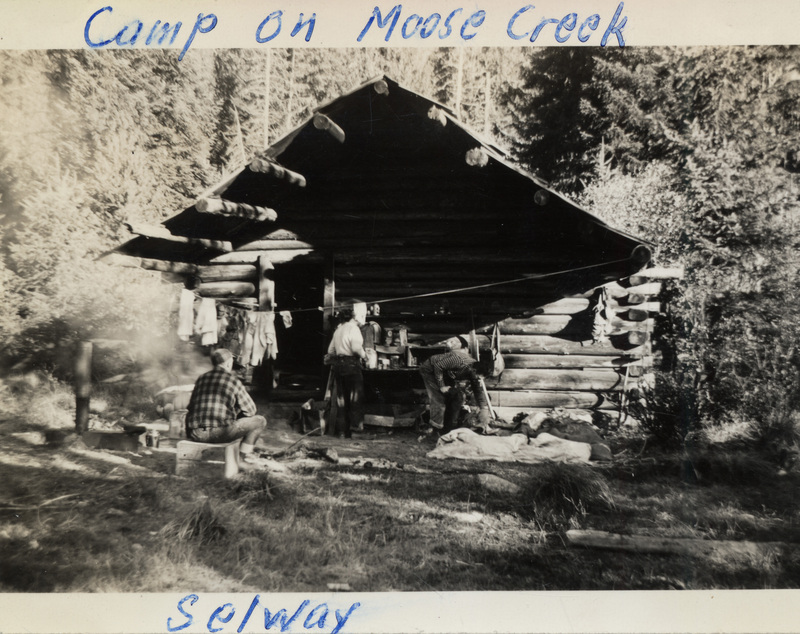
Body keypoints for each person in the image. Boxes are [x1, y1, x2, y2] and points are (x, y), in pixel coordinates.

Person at [185, 348, 267, 467]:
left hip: (196, 433)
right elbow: (251, 410)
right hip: (219, 433)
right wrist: (237, 414)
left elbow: (191, 407)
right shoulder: (233, 380)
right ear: (229, 363)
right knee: (260, 421)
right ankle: (242, 459)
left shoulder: (201, 378)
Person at [418, 335, 492, 434]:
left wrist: (484, 408)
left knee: (457, 397)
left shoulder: (473, 371)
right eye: (478, 377)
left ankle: (448, 428)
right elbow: (438, 366)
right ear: (473, 370)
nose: (477, 379)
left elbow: (477, 389)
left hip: (445, 373)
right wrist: (441, 386)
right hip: (429, 369)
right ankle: (435, 429)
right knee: (438, 398)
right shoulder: (460, 360)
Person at [325, 306, 367, 438]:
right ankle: (355, 431)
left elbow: (331, 351)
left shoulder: (338, 330)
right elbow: (355, 348)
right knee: (355, 398)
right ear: (354, 318)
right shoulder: (353, 328)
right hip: (351, 365)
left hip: (339, 366)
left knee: (341, 400)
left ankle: (342, 431)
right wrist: (365, 355)